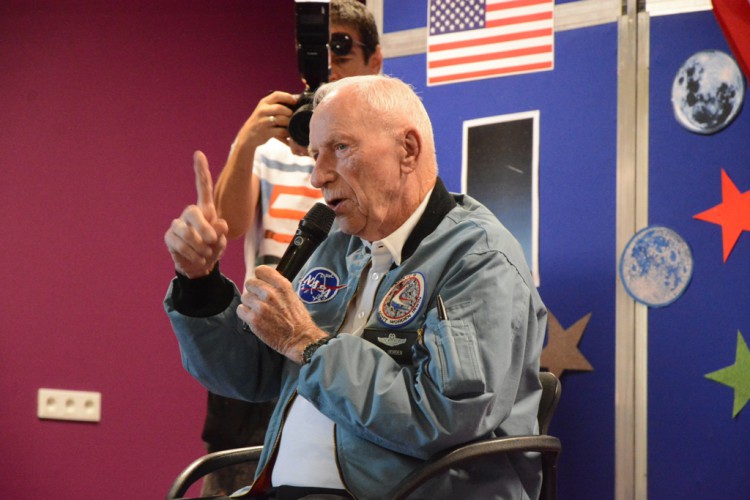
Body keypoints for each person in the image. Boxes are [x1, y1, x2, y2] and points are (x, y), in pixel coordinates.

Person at [164, 75, 547, 499]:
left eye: (340, 149)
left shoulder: (479, 257)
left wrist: (309, 345)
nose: (317, 176)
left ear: (408, 150)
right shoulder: (334, 247)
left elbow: (444, 416)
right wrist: (200, 284)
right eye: (313, 155)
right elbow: (249, 375)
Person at [198, 1, 383, 495]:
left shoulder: (383, 157)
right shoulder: (276, 146)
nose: (330, 63)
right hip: (260, 346)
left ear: (375, 62)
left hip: (337, 352)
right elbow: (227, 224)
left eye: (343, 48)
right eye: (322, 50)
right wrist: (248, 143)